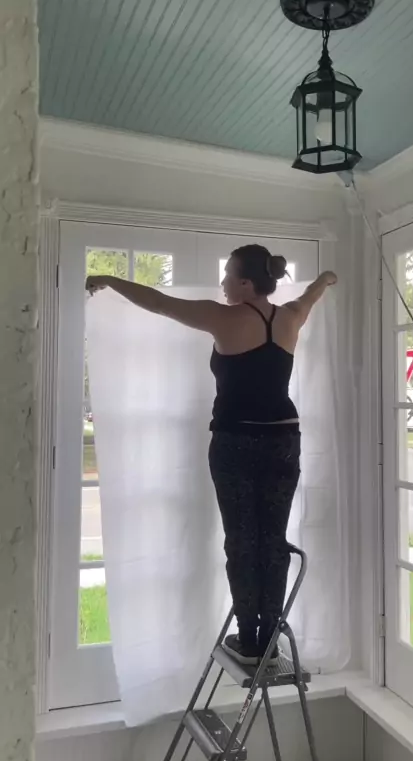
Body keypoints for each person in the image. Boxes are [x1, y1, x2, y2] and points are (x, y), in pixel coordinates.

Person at [86, 245, 337, 665]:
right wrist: (327, 278)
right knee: (272, 539)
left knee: (242, 539)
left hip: (236, 441)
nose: (222, 283)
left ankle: (249, 637)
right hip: (283, 440)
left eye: (228, 276)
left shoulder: (225, 318)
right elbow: (313, 293)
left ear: (246, 283)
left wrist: (111, 280)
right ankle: (269, 639)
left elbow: (160, 303)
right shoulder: (291, 315)